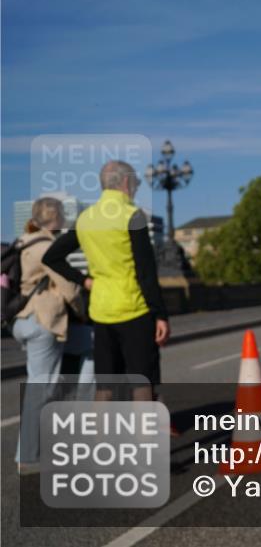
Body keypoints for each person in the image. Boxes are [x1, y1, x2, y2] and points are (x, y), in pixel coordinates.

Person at [45, 161, 170, 403]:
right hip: (134, 309)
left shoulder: (86, 218)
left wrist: (84, 280)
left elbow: (52, 257)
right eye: (135, 183)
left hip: (101, 312)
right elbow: (146, 272)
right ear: (125, 182)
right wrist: (160, 314)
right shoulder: (132, 216)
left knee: (106, 385)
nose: (135, 188)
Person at [12, 197, 87, 474]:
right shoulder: (46, 246)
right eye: (62, 216)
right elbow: (70, 287)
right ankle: (28, 456)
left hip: (24, 320)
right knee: (40, 388)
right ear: (54, 219)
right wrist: (83, 311)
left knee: (91, 347)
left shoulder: (25, 241)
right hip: (44, 321)